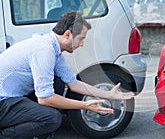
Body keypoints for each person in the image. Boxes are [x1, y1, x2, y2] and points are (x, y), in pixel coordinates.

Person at [0, 11, 134, 138]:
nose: (81, 44)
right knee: (52, 118)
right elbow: (45, 98)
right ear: (68, 35)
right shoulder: (44, 51)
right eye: (81, 39)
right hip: (2, 101)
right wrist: (84, 105)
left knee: (57, 82)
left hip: (11, 97)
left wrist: (108, 94)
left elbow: (73, 83)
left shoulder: (52, 48)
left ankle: (40, 134)